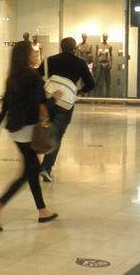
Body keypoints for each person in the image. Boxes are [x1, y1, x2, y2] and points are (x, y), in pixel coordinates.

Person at [0, 40, 57, 230]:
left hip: (15, 131)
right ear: (26, 56)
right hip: (29, 130)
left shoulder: (12, 78)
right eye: (33, 52)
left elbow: (4, 108)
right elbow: (40, 105)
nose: (36, 55)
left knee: (31, 170)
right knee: (29, 172)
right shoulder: (33, 77)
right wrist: (55, 99)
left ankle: (42, 210)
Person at [39, 36, 95, 182]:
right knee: (57, 135)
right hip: (65, 103)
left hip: (49, 99)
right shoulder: (80, 63)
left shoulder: (50, 60)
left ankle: (34, 163)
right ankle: (46, 167)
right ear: (75, 48)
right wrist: (79, 91)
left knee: (43, 129)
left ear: (61, 47)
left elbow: (38, 76)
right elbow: (91, 84)